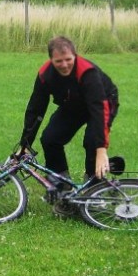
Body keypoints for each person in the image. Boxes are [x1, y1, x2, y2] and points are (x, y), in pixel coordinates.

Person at [19, 36, 119, 184]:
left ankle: (94, 184)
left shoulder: (87, 73)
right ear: (51, 60)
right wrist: (25, 145)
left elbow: (99, 110)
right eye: (58, 61)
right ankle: (61, 183)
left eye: (68, 59)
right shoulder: (45, 75)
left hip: (103, 102)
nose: (64, 65)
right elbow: (36, 109)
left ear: (75, 56)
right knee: (49, 138)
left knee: (92, 141)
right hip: (73, 104)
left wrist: (101, 149)